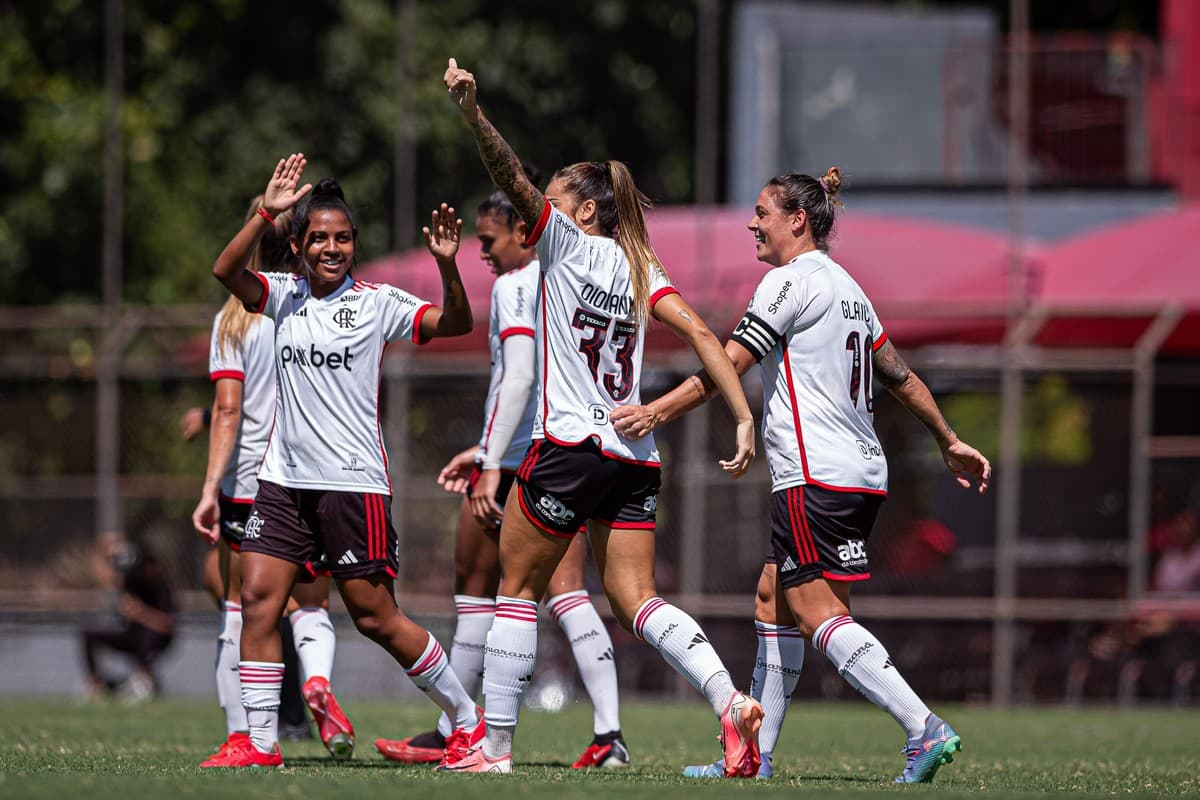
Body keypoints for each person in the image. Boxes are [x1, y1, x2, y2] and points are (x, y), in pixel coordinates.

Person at [611, 168, 991, 783]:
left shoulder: (786, 283)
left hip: (816, 476)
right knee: (773, 597)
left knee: (816, 613)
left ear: (797, 221)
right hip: (861, 474)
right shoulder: (849, 289)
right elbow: (900, 376)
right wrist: (947, 439)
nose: (751, 223)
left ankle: (924, 726)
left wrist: (655, 410)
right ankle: (754, 760)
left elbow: (725, 365)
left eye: (762, 212)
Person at [439, 58, 762, 777]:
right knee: (636, 601)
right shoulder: (641, 264)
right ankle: (730, 700)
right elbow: (709, 338)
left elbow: (507, 171)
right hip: (633, 453)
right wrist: (742, 417)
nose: (537, 209)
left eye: (552, 199)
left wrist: (471, 112)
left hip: (571, 443)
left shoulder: (566, 243)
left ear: (581, 211)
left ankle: (492, 751)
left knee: (515, 589)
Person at [206, 154, 480, 768]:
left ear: (354, 244)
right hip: (281, 484)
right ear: (298, 245)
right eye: (320, 238)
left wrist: (446, 266)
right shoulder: (281, 297)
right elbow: (225, 268)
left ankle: (466, 722)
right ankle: (259, 743)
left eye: (343, 237)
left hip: (352, 488)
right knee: (257, 600)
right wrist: (264, 214)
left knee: (374, 616)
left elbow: (456, 321)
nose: (333, 248)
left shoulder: (378, 303)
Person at [375, 181, 629, 769]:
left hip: (524, 464)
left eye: (488, 239)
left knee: (480, 593)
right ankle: (608, 732)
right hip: (559, 450)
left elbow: (517, 378)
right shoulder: (570, 277)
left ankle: (456, 731)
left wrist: (491, 462)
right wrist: (485, 444)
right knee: (567, 594)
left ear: (523, 231)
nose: (481, 251)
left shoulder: (522, 283)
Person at [192, 197, 352, 767]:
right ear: (298, 244)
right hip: (311, 478)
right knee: (311, 606)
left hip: (249, 482)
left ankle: (243, 734)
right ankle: (317, 681)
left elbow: (229, 410)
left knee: (239, 609)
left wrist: (211, 488)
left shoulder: (237, 317)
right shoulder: (312, 306)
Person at [81, 533, 175, 701]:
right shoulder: (129, 581)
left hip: (156, 638)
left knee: (147, 636)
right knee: (89, 632)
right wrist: (104, 552)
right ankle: (96, 686)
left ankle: (146, 681)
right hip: (132, 634)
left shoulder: (160, 586)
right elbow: (105, 578)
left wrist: (141, 613)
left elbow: (167, 625)